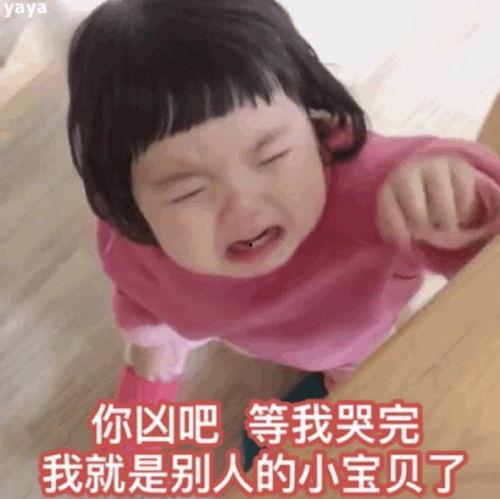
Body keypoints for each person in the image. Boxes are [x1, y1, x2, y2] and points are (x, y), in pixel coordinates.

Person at [67, 0, 500, 412]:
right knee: (154, 330)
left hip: (351, 341)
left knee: (363, 374)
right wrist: (149, 333)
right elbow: (138, 291)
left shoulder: (378, 194)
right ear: (128, 201)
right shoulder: (132, 241)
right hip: (217, 323)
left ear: (313, 117)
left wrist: (462, 204)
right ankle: (159, 352)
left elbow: (484, 265)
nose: (245, 206)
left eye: (271, 156)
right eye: (189, 191)